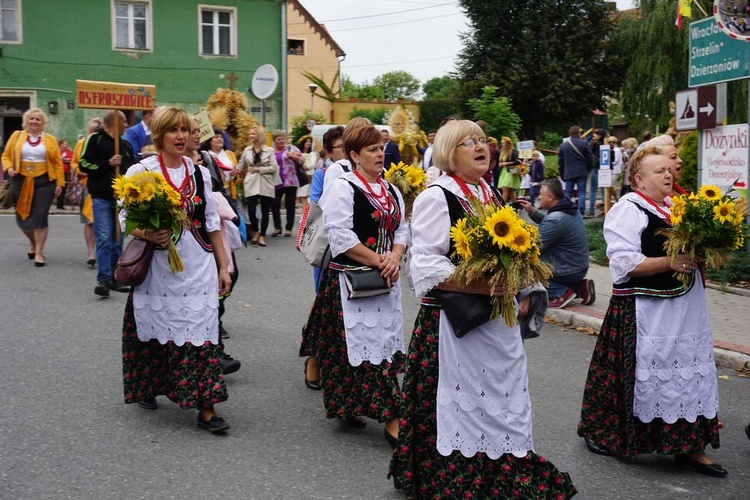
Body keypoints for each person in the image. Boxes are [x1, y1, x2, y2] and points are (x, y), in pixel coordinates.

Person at [389, 120, 577, 498]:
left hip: (496, 323)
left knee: (499, 397)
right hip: (454, 322)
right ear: (448, 152)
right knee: (461, 402)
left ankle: (503, 466)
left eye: (482, 141)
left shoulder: (487, 193)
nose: (481, 147)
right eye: (468, 142)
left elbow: (515, 253)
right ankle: (459, 475)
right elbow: (424, 266)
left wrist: (525, 286)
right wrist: (485, 284)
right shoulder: (436, 197)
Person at [577, 146, 725, 477]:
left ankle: (690, 448)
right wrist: (669, 262)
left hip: (686, 308)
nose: (668, 174)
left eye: (669, 169)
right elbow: (622, 261)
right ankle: (604, 432)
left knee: (688, 371)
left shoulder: (677, 207)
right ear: (639, 179)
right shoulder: (629, 208)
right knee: (644, 374)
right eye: (659, 171)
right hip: (648, 310)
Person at [120, 107, 232, 433]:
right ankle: (149, 385)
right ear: (160, 135)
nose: (181, 136)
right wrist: (148, 233)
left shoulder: (199, 174)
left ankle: (207, 406)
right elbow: (127, 221)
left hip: (198, 264)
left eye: (186, 129)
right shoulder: (141, 172)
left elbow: (212, 224)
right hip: (158, 265)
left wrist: (224, 267)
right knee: (157, 323)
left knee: (200, 331)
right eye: (174, 130)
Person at [304, 121, 407, 444]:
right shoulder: (344, 186)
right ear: (354, 155)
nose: (381, 154)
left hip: (385, 280)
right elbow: (340, 236)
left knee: (380, 346)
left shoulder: (391, 189)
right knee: (363, 347)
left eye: (381, 148)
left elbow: (402, 229)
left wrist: (395, 255)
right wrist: (380, 259)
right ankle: (393, 417)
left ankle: (351, 404)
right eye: (373, 150)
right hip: (352, 281)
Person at [188, 117, 241, 374]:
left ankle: (214, 351)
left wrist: (223, 265)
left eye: (198, 131)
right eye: (190, 131)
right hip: (176, 250)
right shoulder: (150, 168)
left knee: (221, 285)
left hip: (210, 238)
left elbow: (211, 218)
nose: (196, 135)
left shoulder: (205, 164)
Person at [81, 110, 136, 297]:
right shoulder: (95, 139)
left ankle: (116, 277)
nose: (127, 125)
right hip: (102, 197)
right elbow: (83, 163)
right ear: (114, 122)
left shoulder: (125, 145)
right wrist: (107, 163)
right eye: (124, 121)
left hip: (121, 199)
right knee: (104, 237)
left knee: (117, 240)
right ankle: (103, 279)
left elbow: (133, 169)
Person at [1, 108, 64, 267]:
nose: (34, 122)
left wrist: (59, 183)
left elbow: (57, 163)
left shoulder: (49, 139)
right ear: (26, 121)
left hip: (44, 182)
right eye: (31, 119)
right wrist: (8, 168)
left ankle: (39, 252)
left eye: (38, 119)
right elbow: (6, 156)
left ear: (43, 123)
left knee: (40, 217)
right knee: (22, 218)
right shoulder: (16, 136)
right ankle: (33, 242)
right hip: (20, 180)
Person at [518, 179, 594, 308]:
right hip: (579, 267)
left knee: (528, 271)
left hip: (568, 269)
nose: (539, 196)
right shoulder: (569, 208)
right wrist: (532, 211)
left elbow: (534, 248)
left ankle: (561, 293)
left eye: (541, 194)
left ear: (550, 197)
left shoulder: (556, 219)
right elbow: (551, 223)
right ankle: (580, 287)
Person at [237, 124, 279, 247]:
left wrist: (259, 169)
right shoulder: (247, 150)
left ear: (259, 135)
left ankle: (262, 236)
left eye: (252, 134)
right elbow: (240, 165)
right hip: (251, 182)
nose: (250, 136)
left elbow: (274, 167)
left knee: (265, 211)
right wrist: (235, 171)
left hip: (266, 182)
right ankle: (256, 231)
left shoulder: (269, 150)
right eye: (249, 134)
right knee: (251, 210)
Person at [71, 117, 103, 267]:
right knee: (89, 221)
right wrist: (79, 171)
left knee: (102, 221)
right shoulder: (81, 144)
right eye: (91, 131)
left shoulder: (106, 144)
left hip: (102, 185)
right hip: (87, 186)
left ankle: (101, 251)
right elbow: (74, 162)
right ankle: (91, 252)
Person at [271, 131, 303, 238]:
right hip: (276, 181)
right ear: (274, 140)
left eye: (282, 139)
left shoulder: (291, 149)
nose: (281, 141)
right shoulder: (271, 151)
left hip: (290, 181)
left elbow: (302, 160)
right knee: (275, 205)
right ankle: (277, 227)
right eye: (278, 139)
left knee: (290, 206)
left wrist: (293, 157)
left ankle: (288, 229)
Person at [558, 125, 593, 216]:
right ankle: (581, 211)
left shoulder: (563, 146)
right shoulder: (584, 143)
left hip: (568, 172)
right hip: (581, 171)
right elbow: (589, 158)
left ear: (569, 134)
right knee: (581, 192)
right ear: (578, 133)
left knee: (568, 192)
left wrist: (562, 173)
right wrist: (588, 169)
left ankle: (567, 210)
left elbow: (561, 162)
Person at [200, 126, 238, 203]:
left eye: (221, 137)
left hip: (228, 190)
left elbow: (236, 174)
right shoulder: (204, 155)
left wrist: (234, 174)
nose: (220, 139)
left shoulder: (230, 154)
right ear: (210, 141)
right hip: (212, 190)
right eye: (216, 137)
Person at [495, 136, 521, 201]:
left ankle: (502, 206)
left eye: (504, 143)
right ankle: (515, 204)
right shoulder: (502, 152)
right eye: (502, 143)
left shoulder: (513, 151)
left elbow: (518, 161)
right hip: (503, 172)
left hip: (511, 171)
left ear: (507, 143)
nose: (502, 145)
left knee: (505, 189)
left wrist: (506, 163)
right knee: (510, 191)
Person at [586, 129, 605, 217]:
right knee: (603, 190)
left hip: (596, 167)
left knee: (593, 190)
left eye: (595, 135)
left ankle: (591, 210)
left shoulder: (595, 144)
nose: (593, 137)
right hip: (604, 169)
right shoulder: (606, 144)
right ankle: (605, 209)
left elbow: (591, 152)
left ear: (599, 136)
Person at [296, 134, 315, 207]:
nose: (308, 143)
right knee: (302, 198)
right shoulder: (298, 153)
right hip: (299, 177)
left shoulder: (312, 154)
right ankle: (305, 216)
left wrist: (305, 166)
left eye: (310, 142)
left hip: (307, 177)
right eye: (307, 141)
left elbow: (312, 165)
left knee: (304, 197)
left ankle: (305, 216)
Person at [56, 139, 73, 209]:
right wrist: (62, 159)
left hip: (66, 172)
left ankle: (61, 204)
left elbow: (72, 159)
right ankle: (58, 204)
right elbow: (57, 160)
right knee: (59, 187)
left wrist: (65, 160)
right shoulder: (57, 151)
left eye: (67, 144)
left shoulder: (68, 151)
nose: (67, 145)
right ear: (61, 144)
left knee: (64, 188)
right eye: (65, 144)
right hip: (59, 172)